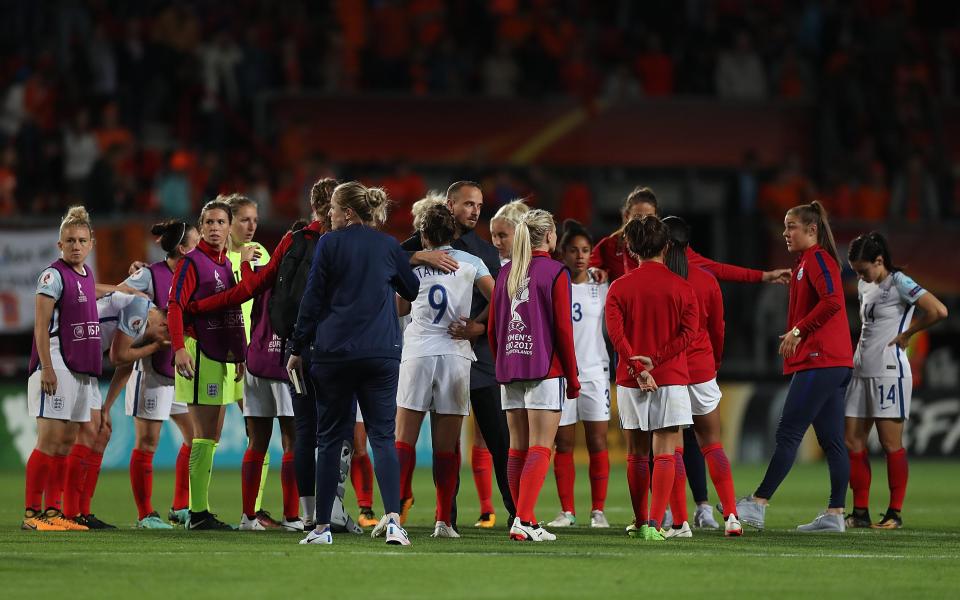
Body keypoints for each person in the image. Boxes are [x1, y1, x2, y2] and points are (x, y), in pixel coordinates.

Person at [592, 186, 789, 527]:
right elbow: (716, 323)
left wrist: (640, 362)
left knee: (662, 449)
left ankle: (674, 519)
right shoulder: (697, 277)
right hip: (693, 368)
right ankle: (725, 514)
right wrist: (715, 361)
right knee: (705, 444)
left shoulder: (631, 278)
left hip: (655, 370)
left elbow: (616, 328)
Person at [288, 181, 419, 545]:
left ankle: (321, 528)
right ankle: (393, 521)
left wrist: (298, 346)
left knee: (329, 439)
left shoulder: (329, 243)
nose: (328, 214)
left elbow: (312, 299)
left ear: (347, 212)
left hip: (334, 354)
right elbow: (411, 290)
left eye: (332, 208)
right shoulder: (389, 245)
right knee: (382, 437)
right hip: (380, 352)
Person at [401, 181, 517, 529]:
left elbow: (503, 298)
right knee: (447, 438)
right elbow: (388, 257)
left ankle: (517, 512)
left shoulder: (482, 250)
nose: (475, 210)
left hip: (477, 353)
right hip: (447, 351)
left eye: (479, 205)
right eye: (468, 204)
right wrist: (419, 255)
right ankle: (445, 517)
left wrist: (481, 327)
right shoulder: (422, 245)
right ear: (450, 205)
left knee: (498, 437)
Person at [735, 201, 854, 533]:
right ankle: (834, 514)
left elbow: (833, 301)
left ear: (811, 230)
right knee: (832, 440)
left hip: (821, 360)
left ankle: (758, 504)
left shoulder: (818, 259)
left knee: (788, 433)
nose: (785, 232)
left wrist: (799, 331)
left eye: (791, 226)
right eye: (785, 226)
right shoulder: (807, 262)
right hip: (833, 362)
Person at [844, 232, 947, 529]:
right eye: (857, 271)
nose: (861, 275)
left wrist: (908, 333)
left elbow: (939, 310)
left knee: (890, 444)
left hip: (889, 371)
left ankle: (894, 513)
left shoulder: (899, 283)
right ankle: (860, 512)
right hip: (860, 370)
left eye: (864, 269)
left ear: (879, 261)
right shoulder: (866, 284)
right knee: (853, 441)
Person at [488, 209, 580, 542]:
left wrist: (503, 359)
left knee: (517, 447)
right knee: (542, 446)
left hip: (510, 366)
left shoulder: (507, 270)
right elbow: (563, 330)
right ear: (551, 236)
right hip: (545, 368)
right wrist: (573, 377)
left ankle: (521, 516)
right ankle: (524, 520)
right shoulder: (556, 271)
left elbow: (493, 327)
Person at [605, 215, 699, 542]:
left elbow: (615, 334)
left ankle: (639, 519)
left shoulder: (619, 288)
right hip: (670, 377)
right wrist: (655, 362)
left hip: (631, 379)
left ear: (630, 249)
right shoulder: (683, 288)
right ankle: (657, 524)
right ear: (667, 246)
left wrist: (636, 366)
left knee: (635, 453)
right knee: (665, 451)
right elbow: (690, 333)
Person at [168, 198, 250, 530]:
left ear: (229, 228)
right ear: (201, 227)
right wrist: (178, 349)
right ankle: (197, 513)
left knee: (211, 434)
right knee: (203, 434)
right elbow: (174, 306)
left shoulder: (224, 266)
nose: (215, 228)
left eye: (220, 222)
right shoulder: (192, 263)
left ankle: (198, 509)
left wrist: (239, 354)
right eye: (209, 222)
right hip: (198, 351)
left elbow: (231, 314)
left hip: (220, 355)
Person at [660, 216, 742, 538]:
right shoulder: (706, 280)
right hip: (703, 370)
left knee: (674, 449)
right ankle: (732, 516)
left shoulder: (660, 281)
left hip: (670, 374)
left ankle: (680, 523)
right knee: (712, 445)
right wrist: (714, 360)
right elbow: (718, 328)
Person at [23, 206, 102, 532]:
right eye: (69, 240)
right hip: (56, 366)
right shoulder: (52, 276)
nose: (76, 246)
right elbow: (40, 326)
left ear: (91, 243)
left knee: (67, 444)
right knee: (49, 442)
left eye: (82, 240)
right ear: (59, 244)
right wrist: (47, 368)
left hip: (80, 370)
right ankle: (31, 513)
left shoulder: (85, 274)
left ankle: (54, 511)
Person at [121, 220, 199, 527]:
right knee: (147, 443)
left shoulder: (197, 270)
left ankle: (180, 507)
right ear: (183, 248)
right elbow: (116, 295)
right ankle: (145, 514)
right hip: (152, 368)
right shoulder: (150, 275)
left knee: (195, 437)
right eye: (196, 242)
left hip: (181, 368)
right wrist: (142, 309)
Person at [545, 220, 612, 529]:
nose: (581, 256)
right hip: (562, 374)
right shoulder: (553, 283)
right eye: (574, 250)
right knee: (564, 444)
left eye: (585, 250)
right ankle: (567, 511)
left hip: (595, 372)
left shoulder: (603, 286)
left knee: (598, 442)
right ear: (562, 252)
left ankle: (598, 511)